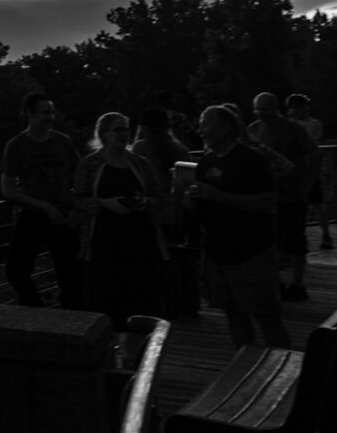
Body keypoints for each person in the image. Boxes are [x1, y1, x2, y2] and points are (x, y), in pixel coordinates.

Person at [186, 103, 290, 349]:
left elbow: (266, 202)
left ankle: (285, 371)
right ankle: (245, 368)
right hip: (218, 251)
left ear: (224, 127)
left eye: (205, 124)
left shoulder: (251, 160)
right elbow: (204, 205)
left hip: (251, 251)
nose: (200, 130)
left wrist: (219, 196)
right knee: (232, 313)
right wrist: (190, 201)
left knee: (266, 316)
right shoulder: (206, 161)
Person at [74, 112, 169, 329]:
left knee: (141, 299)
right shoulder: (89, 164)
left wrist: (144, 202)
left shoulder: (140, 164)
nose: (124, 134)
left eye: (126, 129)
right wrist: (105, 204)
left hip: (140, 242)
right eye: (117, 129)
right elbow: (79, 198)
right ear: (103, 133)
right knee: (106, 299)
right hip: (103, 243)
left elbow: (161, 197)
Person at [1, 92, 83, 308]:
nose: (50, 117)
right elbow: (7, 189)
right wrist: (44, 206)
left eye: (52, 112)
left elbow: (82, 177)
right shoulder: (16, 145)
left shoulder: (63, 142)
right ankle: (37, 312)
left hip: (64, 216)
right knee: (16, 270)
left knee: (69, 274)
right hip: (33, 215)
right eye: (45, 112)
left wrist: (76, 209)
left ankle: (71, 322)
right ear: (30, 113)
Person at [247, 92, 319, 299]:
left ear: (275, 107)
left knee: (296, 241)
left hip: (292, 194)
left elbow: (313, 154)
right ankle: (275, 281)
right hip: (266, 196)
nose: (260, 113)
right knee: (270, 241)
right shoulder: (253, 130)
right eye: (257, 109)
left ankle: (298, 283)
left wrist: (307, 182)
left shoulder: (294, 129)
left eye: (264, 109)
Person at [130, 107, 196, 316]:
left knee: (155, 262)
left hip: (152, 213)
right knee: (180, 261)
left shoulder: (139, 149)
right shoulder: (180, 149)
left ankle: (161, 304)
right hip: (177, 213)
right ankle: (183, 303)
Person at [287, 94, 334, 249]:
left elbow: (309, 144)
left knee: (317, 202)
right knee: (297, 204)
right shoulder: (288, 125)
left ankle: (326, 234)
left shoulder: (313, 124)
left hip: (308, 169)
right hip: (293, 169)